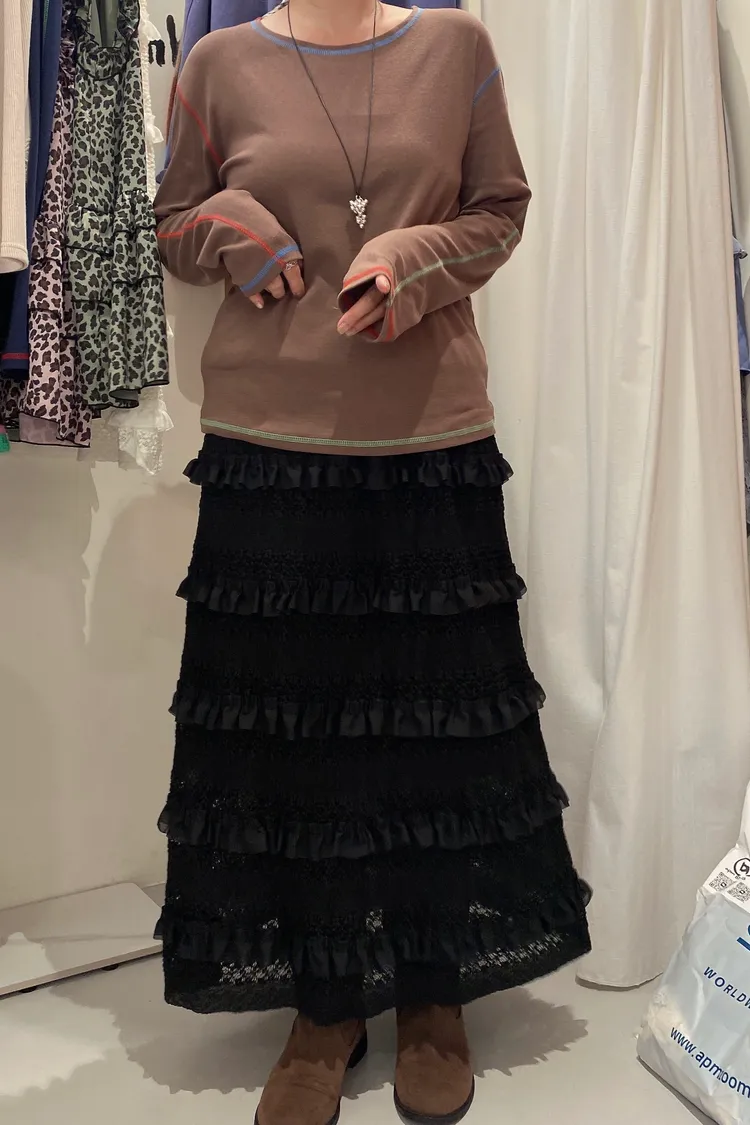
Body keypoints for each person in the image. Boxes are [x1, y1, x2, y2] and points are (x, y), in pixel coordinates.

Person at [153, 3, 591, 1123]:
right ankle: (326, 1001)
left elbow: (501, 210)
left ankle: (433, 987)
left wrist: (408, 255)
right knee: (295, 730)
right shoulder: (219, 61)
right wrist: (234, 228)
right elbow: (173, 224)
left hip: (428, 443)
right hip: (269, 448)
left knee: (431, 727)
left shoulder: (456, 48)